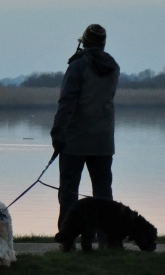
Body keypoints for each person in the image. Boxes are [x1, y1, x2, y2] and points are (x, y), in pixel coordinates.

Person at [50, 24, 120, 244]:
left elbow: (67, 102)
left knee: (69, 190)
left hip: (75, 140)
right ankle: (108, 239)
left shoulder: (78, 66)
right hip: (103, 140)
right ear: (103, 43)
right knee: (103, 192)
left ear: (84, 42)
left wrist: (57, 132)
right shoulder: (113, 67)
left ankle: (68, 237)